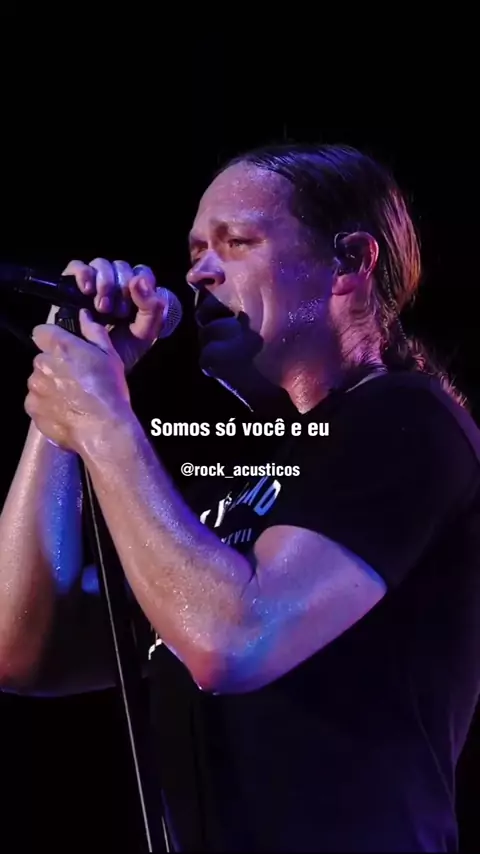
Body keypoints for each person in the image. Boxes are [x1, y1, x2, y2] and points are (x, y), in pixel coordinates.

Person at [0, 142, 479, 853]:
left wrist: (104, 422)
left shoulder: (408, 421)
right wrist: (66, 396)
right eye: (195, 250)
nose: (198, 272)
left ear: (350, 262)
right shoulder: (247, 488)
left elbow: (235, 639)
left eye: (237, 242)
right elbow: (21, 648)